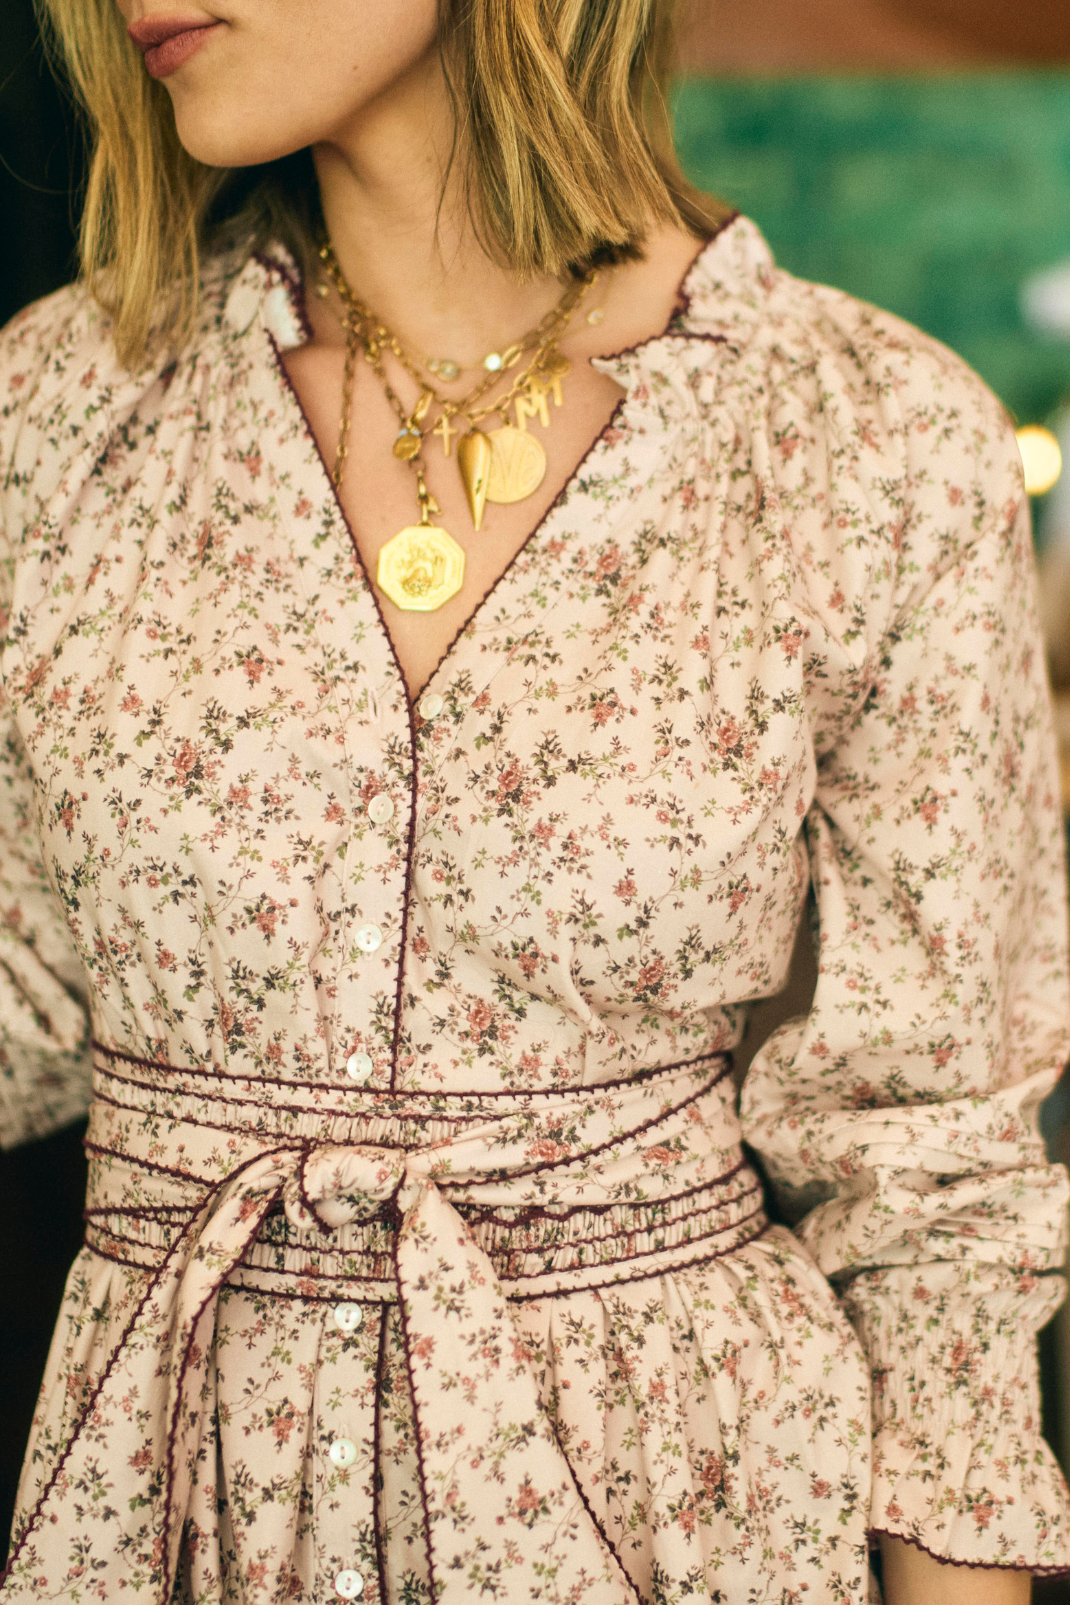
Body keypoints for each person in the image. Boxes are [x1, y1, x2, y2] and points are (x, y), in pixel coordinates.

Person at [0, 2, 1066, 1602]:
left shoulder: (864, 436)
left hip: (678, 1506)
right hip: (177, 1502)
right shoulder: (65, 405)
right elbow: (29, 980)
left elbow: (934, 1179)